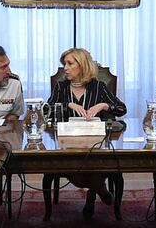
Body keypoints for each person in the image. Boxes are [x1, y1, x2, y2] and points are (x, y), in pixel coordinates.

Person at [47, 48, 127, 217]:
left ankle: (92, 194)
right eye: (64, 64)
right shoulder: (61, 87)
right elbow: (46, 110)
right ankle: (100, 191)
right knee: (77, 167)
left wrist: (104, 105)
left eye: (70, 63)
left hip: (95, 144)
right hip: (68, 145)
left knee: (97, 163)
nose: (65, 68)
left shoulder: (98, 87)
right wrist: (67, 104)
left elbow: (121, 109)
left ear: (82, 65)